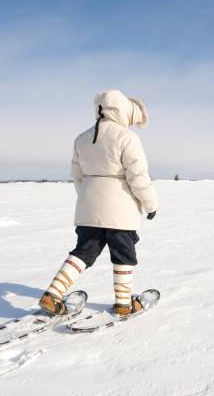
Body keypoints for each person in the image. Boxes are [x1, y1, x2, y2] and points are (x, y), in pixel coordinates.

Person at [39, 90, 158, 316]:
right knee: (123, 253)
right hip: (120, 209)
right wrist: (150, 205)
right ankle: (123, 304)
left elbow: (77, 176)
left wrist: (88, 199)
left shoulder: (81, 139)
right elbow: (138, 176)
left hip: (88, 207)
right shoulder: (127, 138)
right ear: (123, 110)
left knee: (84, 251)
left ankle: (52, 294)